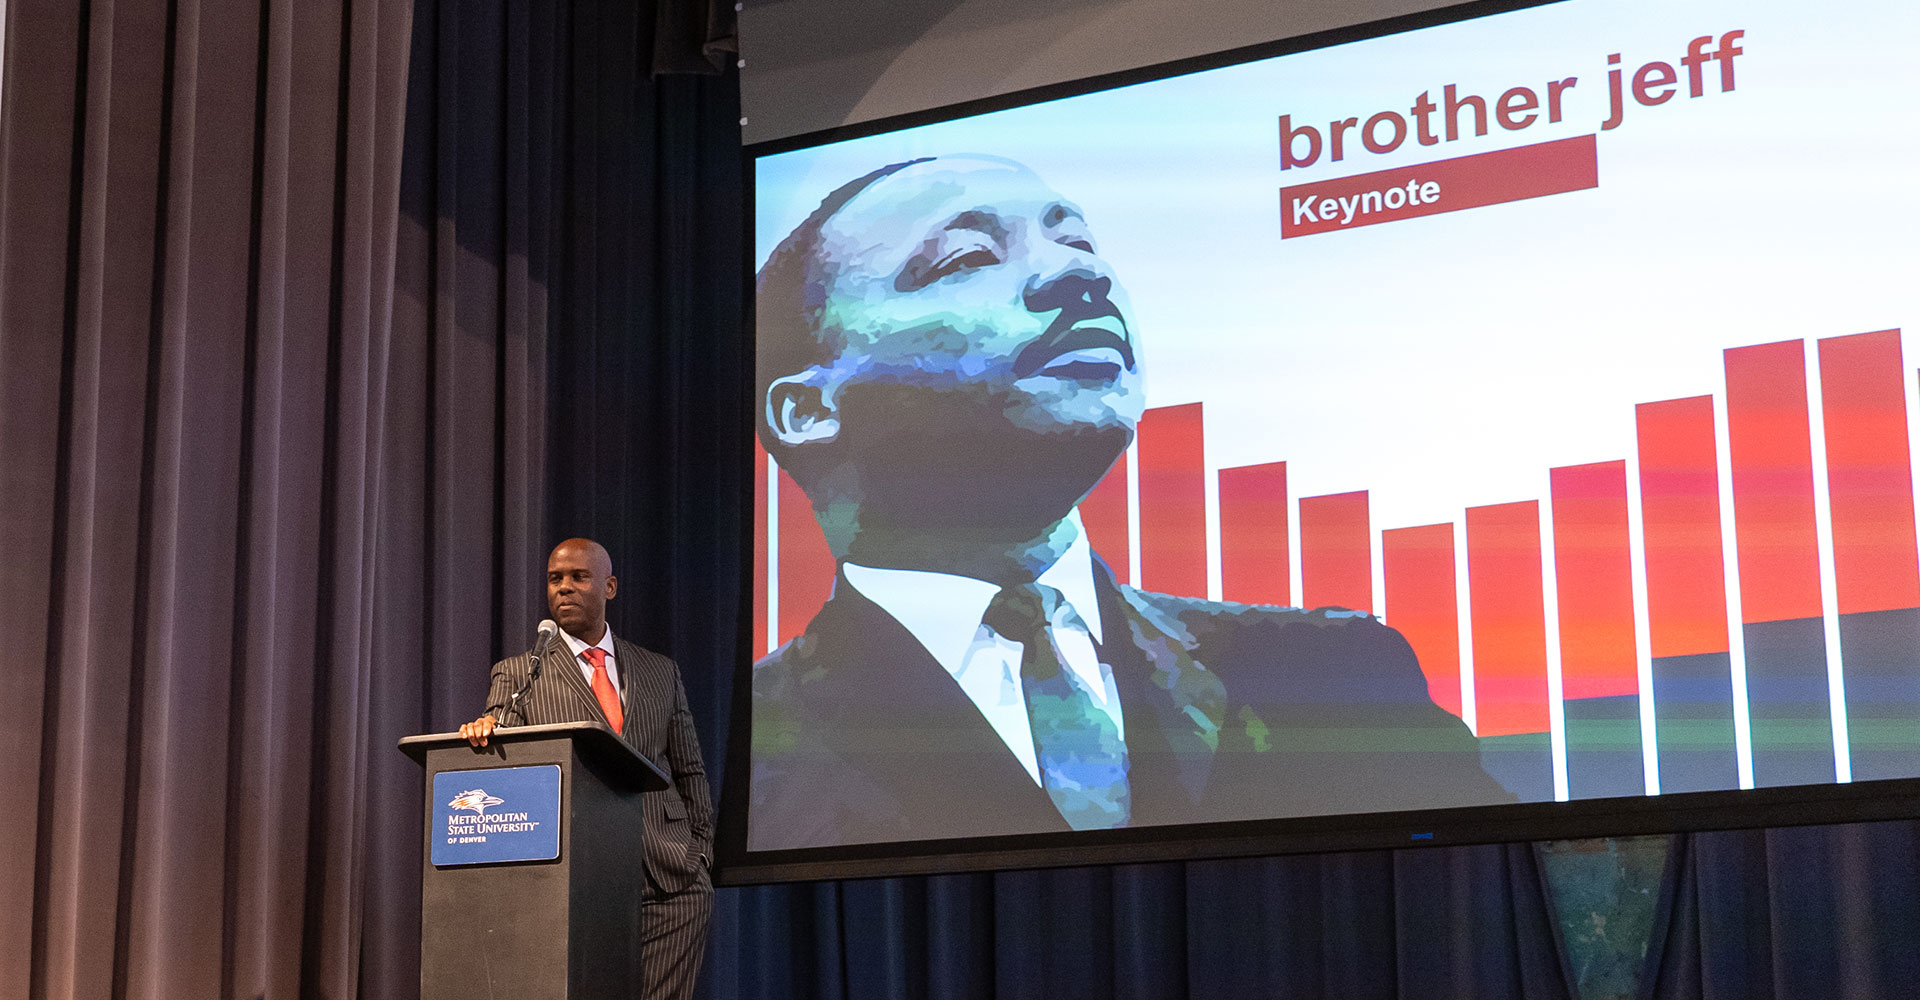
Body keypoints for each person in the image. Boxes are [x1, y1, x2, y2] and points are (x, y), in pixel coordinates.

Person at [748, 154, 1517, 853]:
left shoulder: (1332, 675)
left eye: (1078, 242)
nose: (1080, 277)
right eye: (968, 257)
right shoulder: (745, 750)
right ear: (808, 410)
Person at [460, 538, 712, 1000]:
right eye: (555, 579)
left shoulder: (659, 671)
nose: (564, 589)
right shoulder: (521, 672)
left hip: (670, 877)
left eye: (579, 577)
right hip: (579, 877)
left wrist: (700, 855)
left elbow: (690, 770)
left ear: (609, 587)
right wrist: (486, 729)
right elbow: (500, 735)